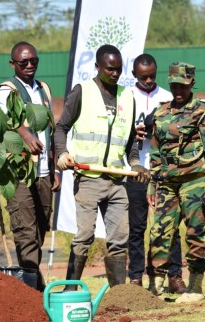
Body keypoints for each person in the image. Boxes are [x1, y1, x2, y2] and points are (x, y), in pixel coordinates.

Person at [55, 44, 150, 289]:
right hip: (88, 178)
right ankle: (70, 288)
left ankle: (118, 294)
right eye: (110, 69)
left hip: (117, 181)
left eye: (119, 69)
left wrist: (136, 164)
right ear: (97, 67)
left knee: (119, 239)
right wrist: (62, 153)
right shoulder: (82, 92)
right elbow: (61, 127)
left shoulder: (127, 97)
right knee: (84, 236)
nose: (115, 74)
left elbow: (130, 141)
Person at [146, 62, 205, 303]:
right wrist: (153, 183)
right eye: (174, 85)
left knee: (196, 233)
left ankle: (195, 288)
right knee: (159, 232)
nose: (178, 90)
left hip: (195, 181)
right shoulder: (160, 112)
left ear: (192, 83)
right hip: (168, 183)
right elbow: (156, 153)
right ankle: (156, 287)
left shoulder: (203, 110)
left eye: (183, 85)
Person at [0, 41, 61, 291]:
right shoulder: (6, 91)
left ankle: (30, 280)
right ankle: (33, 289)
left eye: (34, 61)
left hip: (44, 172)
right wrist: (24, 134)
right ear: (13, 64)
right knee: (25, 231)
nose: (30, 65)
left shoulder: (43, 89)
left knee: (40, 230)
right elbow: (4, 122)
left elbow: (50, 131)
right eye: (24, 62)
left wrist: (55, 169)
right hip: (18, 174)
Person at [127, 54, 186, 294]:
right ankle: (135, 278)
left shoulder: (168, 98)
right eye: (143, 77)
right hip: (135, 171)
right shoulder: (125, 97)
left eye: (152, 75)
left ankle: (175, 276)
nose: (149, 80)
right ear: (134, 76)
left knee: (169, 226)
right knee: (137, 227)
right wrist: (134, 133)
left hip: (164, 171)